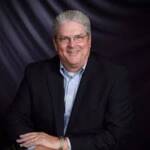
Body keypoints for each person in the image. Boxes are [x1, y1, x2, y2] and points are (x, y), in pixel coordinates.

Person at [5, 10, 133, 150]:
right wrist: (36, 147)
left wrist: (61, 144)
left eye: (78, 37)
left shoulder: (114, 76)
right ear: (55, 43)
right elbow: (14, 119)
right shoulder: (35, 73)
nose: (72, 45)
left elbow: (116, 135)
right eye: (64, 38)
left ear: (89, 40)